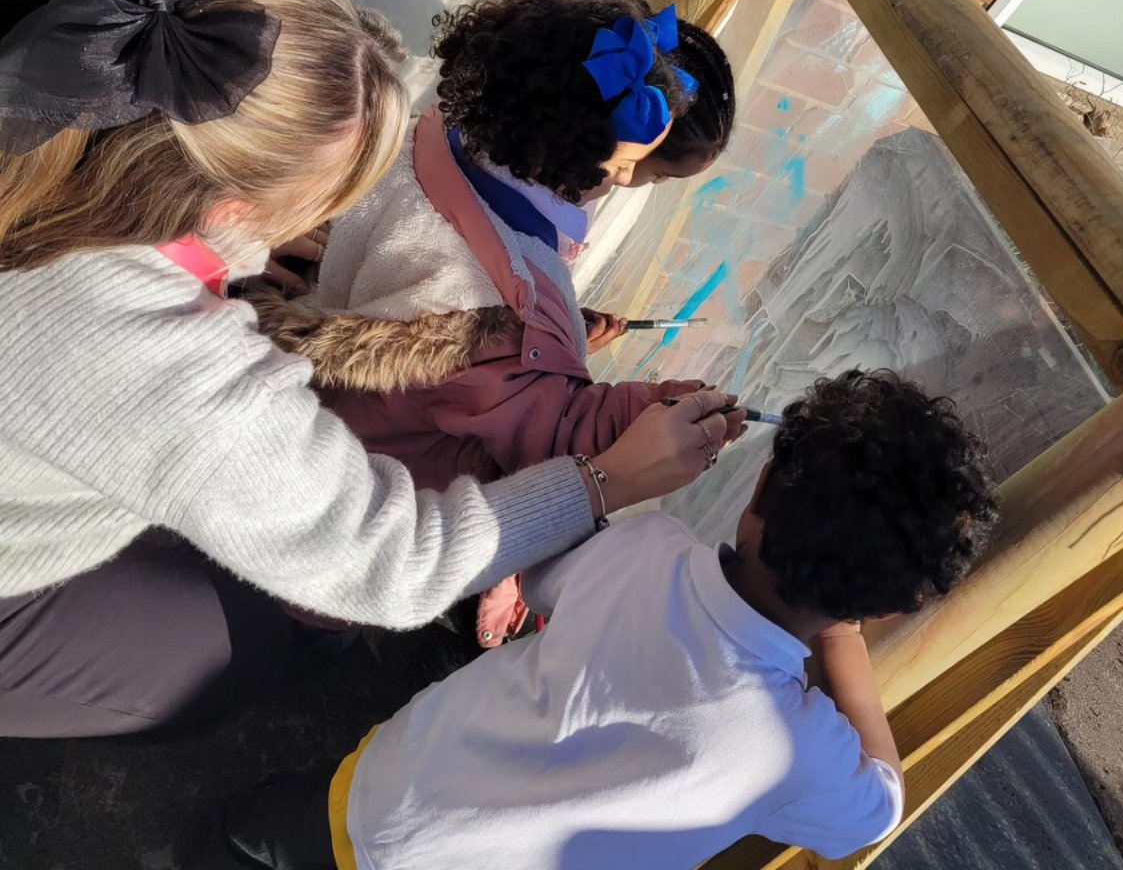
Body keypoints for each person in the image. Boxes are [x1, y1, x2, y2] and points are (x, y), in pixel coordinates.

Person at [0, 0, 738, 738]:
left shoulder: (62, 103)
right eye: (340, 189)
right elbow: (395, 567)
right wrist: (605, 481)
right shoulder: (174, 367)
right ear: (233, 207)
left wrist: (248, 258)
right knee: (221, 661)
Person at [223, 369, 999, 870]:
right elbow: (876, 811)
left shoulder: (644, 545)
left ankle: (233, 836)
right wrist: (844, 648)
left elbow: (538, 578)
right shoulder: (799, 752)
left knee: (274, 831)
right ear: (894, 605)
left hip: (387, 796)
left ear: (759, 489)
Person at [252, 0, 739, 644]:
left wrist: (547, 346)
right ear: (568, 151)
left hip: (304, 428)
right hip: (354, 536)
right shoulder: (511, 322)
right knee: (293, 642)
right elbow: (559, 432)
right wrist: (659, 408)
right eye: (630, 165)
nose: (627, 180)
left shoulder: (434, 137)